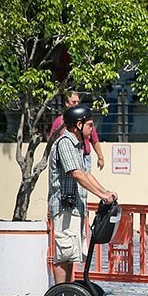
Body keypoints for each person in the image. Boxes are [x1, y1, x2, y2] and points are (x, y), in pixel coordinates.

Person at [48, 105, 118, 284]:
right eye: (90, 125)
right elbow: (76, 174)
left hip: (75, 208)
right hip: (64, 208)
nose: (92, 129)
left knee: (71, 254)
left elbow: (87, 173)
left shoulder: (77, 146)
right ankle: (60, 294)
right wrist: (102, 196)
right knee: (63, 254)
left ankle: (68, 291)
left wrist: (105, 192)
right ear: (78, 125)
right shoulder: (65, 143)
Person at [49, 91, 106, 171]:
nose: (76, 104)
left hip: (84, 156)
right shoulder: (59, 121)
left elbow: (94, 139)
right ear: (66, 103)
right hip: (67, 156)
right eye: (73, 102)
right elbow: (52, 141)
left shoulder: (85, 120)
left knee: (86, 179)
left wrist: (100, 157)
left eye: (77, 102)